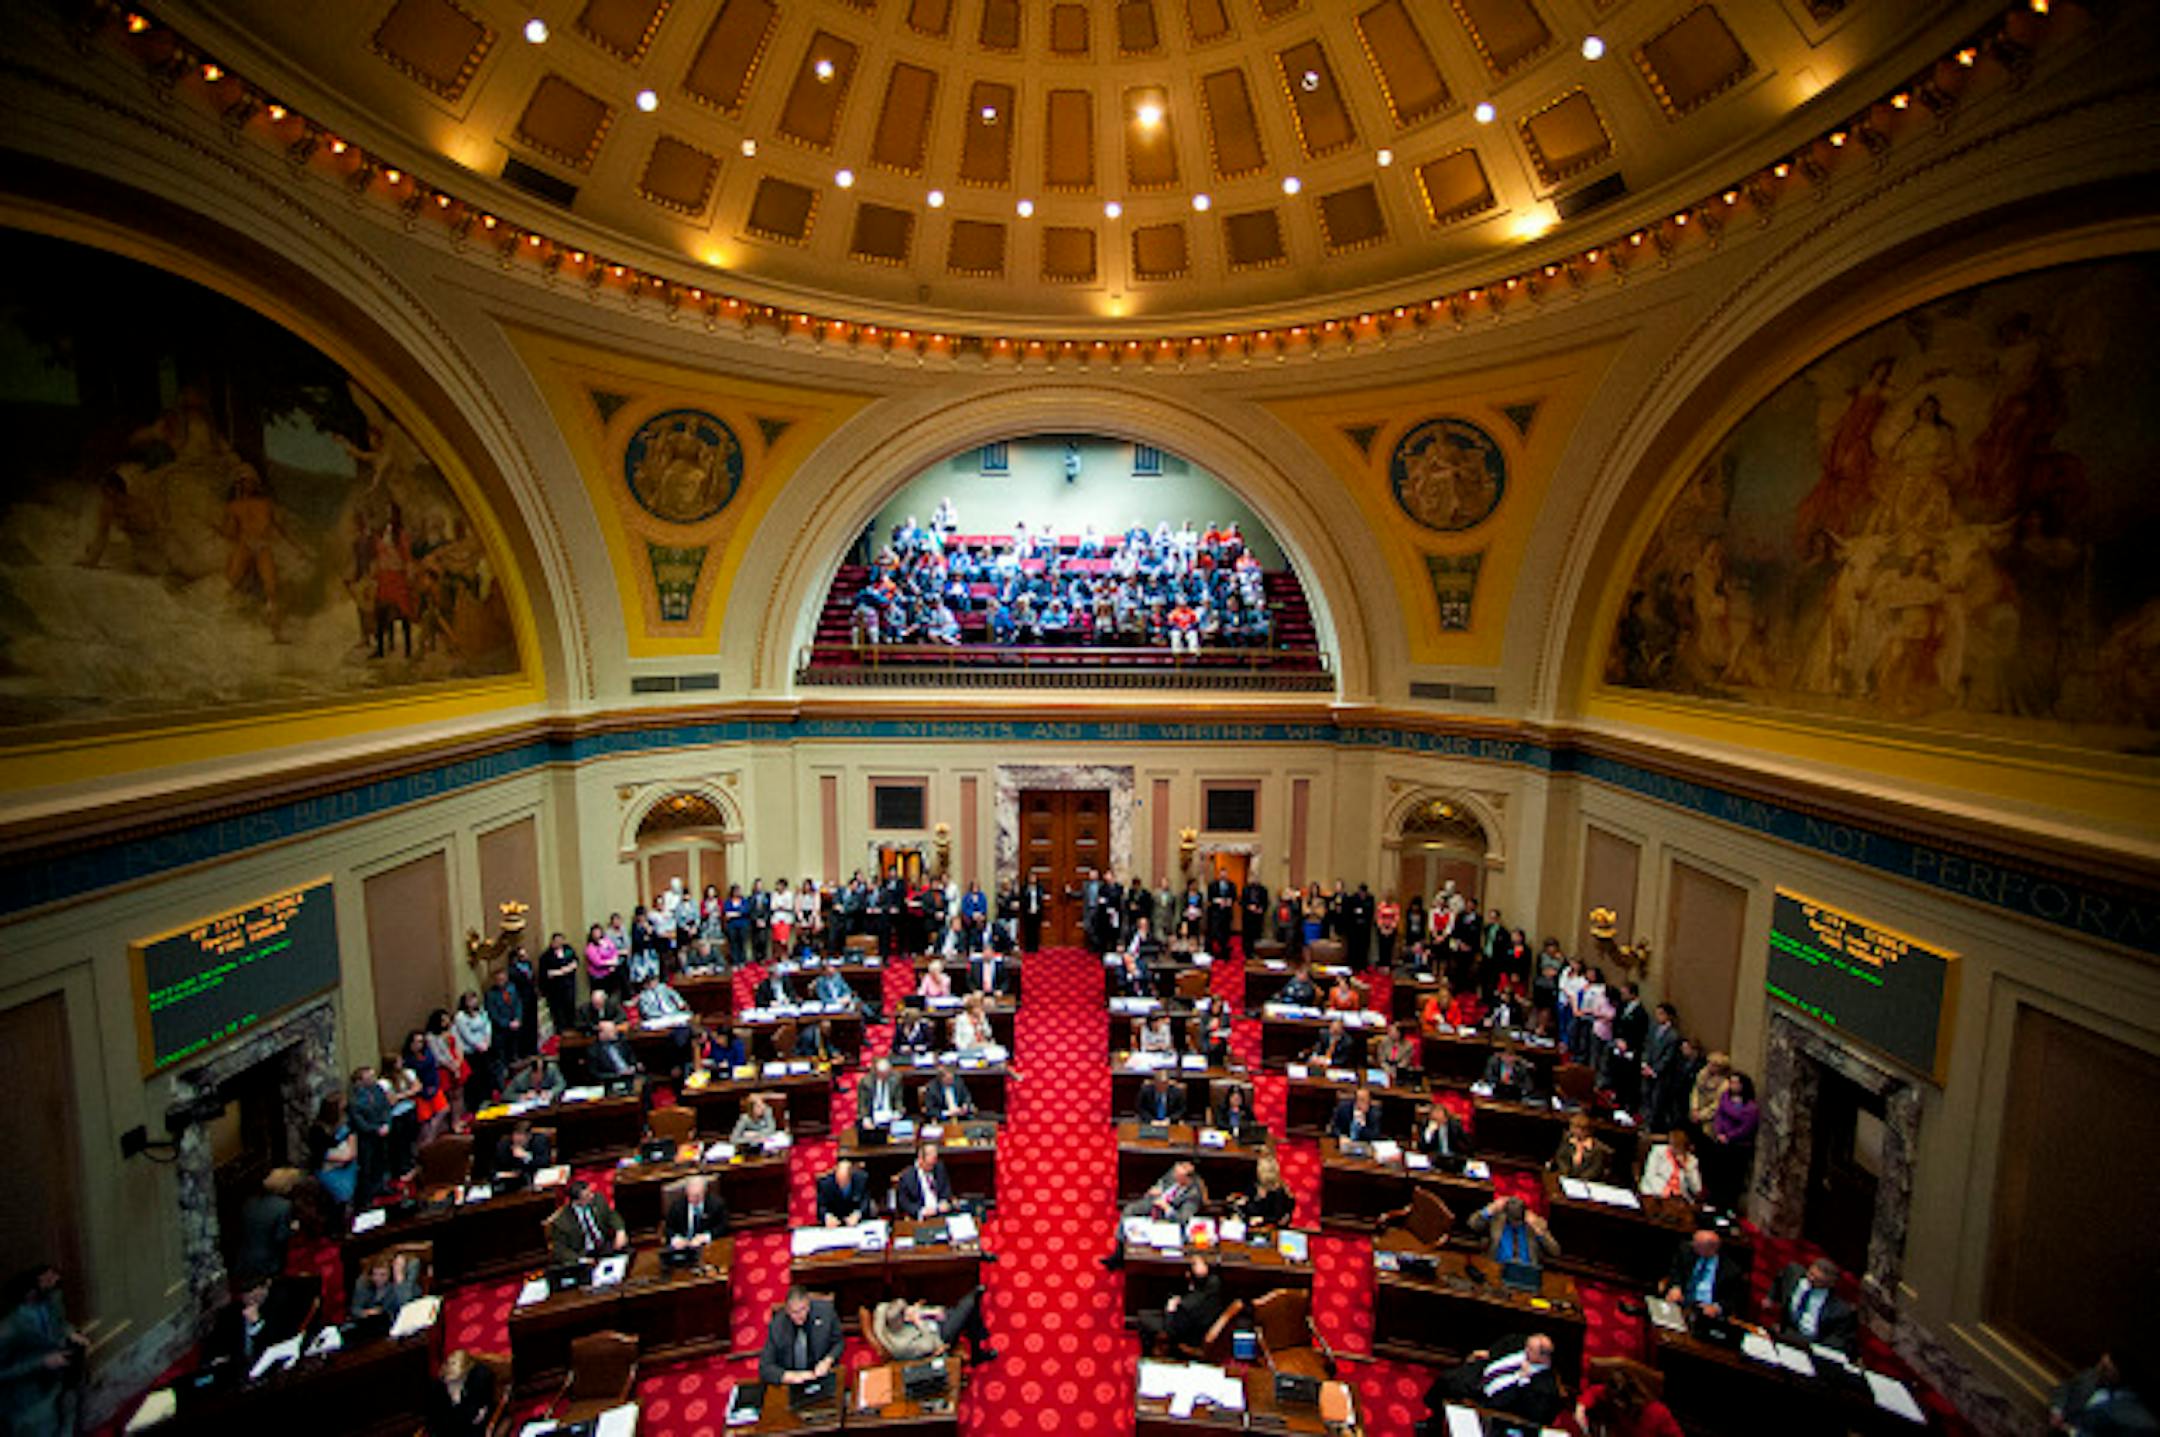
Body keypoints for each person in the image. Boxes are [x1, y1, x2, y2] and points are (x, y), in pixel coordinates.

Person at [0, 1265, 82, 1436]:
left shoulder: (52, 1301)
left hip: (60, 1383)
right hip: (31, 1401)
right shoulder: (10, 1328)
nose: (55, 1281)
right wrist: (41, 1362)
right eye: (47, 1279)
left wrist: (70, 1332)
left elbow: (60, 1322)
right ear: (30, 1291)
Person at [1429, 1334, 1564, 1426]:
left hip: (1490, 1402)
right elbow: (1505, 1343)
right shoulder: (1521, 1343)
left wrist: (1523, 1380)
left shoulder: (1545, 1386)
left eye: (1530, 1349)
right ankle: (1433, 1419)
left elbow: (1534, 1414)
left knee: (1450, 1385)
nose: (1525, 1348)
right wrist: (1491, 1353)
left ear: (1542, 1357)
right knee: (1446, 1378)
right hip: (1481, 1374)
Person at [1103, 1160, 1206, 1269]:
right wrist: (1158, 1189)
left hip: (1169, 1218)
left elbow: (1181, 1219)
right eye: (1175, 1173)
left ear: (1187, 1179)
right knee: (1129, 1211)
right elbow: (1162, 1182)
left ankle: (1134, 1261)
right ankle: (1119, 1253)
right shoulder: (1175, 1171)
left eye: (1178, 1176)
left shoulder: (1193, 1196)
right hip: (1155, 1202)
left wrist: (1166, 1207)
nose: (1174, 1176)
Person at [871, 1288, 999, 1365]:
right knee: (970, 1303)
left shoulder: (884, 1312)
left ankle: (976, 1333)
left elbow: (893, 1307)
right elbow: (931, 1344)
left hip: (932, 1322)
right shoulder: (902, 1344)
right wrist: (918, 1322)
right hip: (938, 1337)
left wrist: (923, 1311)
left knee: (966, 1313)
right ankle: (977, 1343)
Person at [2050, 1351, 2156, 1436]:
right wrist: (2057, 1410)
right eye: (2099, 1364)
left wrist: (2073, 1432)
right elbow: (2065, 1388)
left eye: (2105, 1369)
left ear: (2119, 1376)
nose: (2097, 1370)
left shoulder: (2130, 1412)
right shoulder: (2092, 1375)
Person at [1768, 1258, 1858, 1355]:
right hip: (1786, 1330)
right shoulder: (1793, 1272)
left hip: (1811, 1342)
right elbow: (1780, 1278)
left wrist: (1817, 1350)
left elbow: (1838, 1339)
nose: (1810, 1280)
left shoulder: (1840, 1310)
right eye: (1810, 1274)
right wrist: (1771, 1297)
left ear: (1831, 1284)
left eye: (1818, 1281)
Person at [1139, 1254, 1225, 1353]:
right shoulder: (1215, 1284)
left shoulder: (1186, 1306)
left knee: (1144, 1317)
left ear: (1188, 1275)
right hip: (1205, 1323)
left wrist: (1170, 1310)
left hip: (1189, 1336)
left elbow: (1171, 1330)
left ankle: (1153, 1354)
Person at [1572, 1363, 1684, 1437]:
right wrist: (1581, 1408)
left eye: (1622, 1404)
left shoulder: (1658, 1413)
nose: (1619, 1408)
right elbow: (1593, 1392)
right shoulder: (1613, 1395)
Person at [760, 1287, 842, 1387]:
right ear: (787, 1310)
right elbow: (765, 1368)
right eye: (795, 1312)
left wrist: (828, 1360)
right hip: (793, 1382)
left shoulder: (826, 1312)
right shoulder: (777, 1326)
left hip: (821, 1376)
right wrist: (790, 1376)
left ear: (808, 1305)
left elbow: (838, 1342)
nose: (800, 1316)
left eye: (803, 1309)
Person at [1661, 1228, 1744, 1317]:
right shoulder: (1685, 1251)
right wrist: (1675, 1287)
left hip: (1706, 1312)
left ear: (1711, 1249)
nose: (1692, 1245)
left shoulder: (1731, 1271)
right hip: (1681, 1302)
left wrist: (1716, 1308)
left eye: (1697, 1245)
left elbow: (1731, 1300)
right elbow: (1675, 1272)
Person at [236, 1169, 299, 1283]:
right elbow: (280, 1237)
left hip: (245, 1258)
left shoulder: (250, 1202)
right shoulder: (284, 1206)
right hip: (268, 1261)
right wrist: (293, 1229)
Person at [547, 1180, 627, 1266]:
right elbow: (560, 1249)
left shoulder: (598, 1199)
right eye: (587, 1196)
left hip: (604, 1245)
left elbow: (611, 1215)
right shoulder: (561, 1221)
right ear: (577, 1201)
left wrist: (620, 1230)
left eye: (591, 1192)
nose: (592, 1196)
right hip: (583, 1253)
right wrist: (581, 1260)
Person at [1470, 1196, 1558, 1269]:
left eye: (1518, 1221)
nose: (1515, 1224)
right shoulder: (1496, 1221)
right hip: (1497, 1268)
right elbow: (1472, 1224)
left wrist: (1539, 1231)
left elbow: (1555, 1251)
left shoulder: (1534, 1224)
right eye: (1512, 1220)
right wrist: (1490, 1209)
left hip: (1527, 1271)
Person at [426, 1349, 498, 1437]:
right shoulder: (437, 1388)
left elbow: (472, 1416)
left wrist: (458, 1400)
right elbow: (434, 1422)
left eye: (456, 1380)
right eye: (448, 1380)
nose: (451, 1383)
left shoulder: (479, 1380)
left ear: (465, 1374)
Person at [307, 1095, 359, 1209]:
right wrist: (343, 1155)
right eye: (341, 1109)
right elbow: (320, 1153)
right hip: (328, 1169)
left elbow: (352, 1149)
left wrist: (348, 1154)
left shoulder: (347, 1123)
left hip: (347, 1167)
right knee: (340, 1198)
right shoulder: (318, 1130)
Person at [1229, 1153, 1295, 1228]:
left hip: (1266, 1227)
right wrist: (1242, 1201)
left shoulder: (1278, 1192)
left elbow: (1277, 1217)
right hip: (1249, 1221)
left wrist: (1262, 1219)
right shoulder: (1255, 1183)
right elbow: (1247, 1197)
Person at [664, 1174, 730, 1248]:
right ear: (686, 1191)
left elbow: (723, 1227)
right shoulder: (677, 1206)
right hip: (682, 1248)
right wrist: (676, 1239)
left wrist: (706, 1237)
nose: (694, 1199)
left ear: (705, 1191)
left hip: (707, 1247)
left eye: (698, 1196)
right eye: (691, 1195)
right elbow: (668, 1229)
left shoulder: (717, 1205)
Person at [1639, 1129, 1704, 1204]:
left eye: (1679, 1146)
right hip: (1655, 1193)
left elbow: (1697, 1189)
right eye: (1673, 1145)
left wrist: (1686, 1169)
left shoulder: (1692, 1161)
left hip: (1679, 1199)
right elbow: (1650, 1175)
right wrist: (1666, 1191)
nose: (1674, 1149)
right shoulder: (1658, 1151)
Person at [349, 1252, 419, 1320]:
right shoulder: (363, 1282)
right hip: (366, 1321)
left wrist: (399, 1279)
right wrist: (366, 1313)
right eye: (375, 1274)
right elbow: (355, 1309)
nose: (378, 1278)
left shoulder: (397, 1286)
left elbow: (405, 1307)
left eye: (383, 1275)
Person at [895, 1142, 956, 1218]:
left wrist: (944, 1201)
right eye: (929, 1165)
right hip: (922, 1216)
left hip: (941, 1213)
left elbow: (946, 1189)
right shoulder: (907, 1177)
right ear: (920, 1159)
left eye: (934, 1163)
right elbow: (904, 1202)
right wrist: (921, 1211)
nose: (932, 1167)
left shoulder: (939, 1167)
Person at [1548, 1112, 1613, 1180]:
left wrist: (1582, 1177)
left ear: (1589, 1130)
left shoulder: (1597, 1149)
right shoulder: (1568, 1141)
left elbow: (1595, 1168)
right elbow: (1560, 1157)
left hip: (1585, 1180)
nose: (1576, 1132)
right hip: (1566, 1176)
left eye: (1581, 1129)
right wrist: (1566, 1170)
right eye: (1574, 1128)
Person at [540, 932, 581, 1037]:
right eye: (556, 941)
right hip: (555, 987)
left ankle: (572, 1025)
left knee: (570, 1005)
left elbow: (575, 961)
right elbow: (546, 973)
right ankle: (561, 1029)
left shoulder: (568, 949)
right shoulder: (546, 955)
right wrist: (560, 972)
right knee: (558, 1009)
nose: (559, 943)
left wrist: (569, 968)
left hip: (569, 984)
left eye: (561, 940)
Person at [816, 1158, 872, 1226]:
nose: (841, 1184)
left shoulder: (861, 1179)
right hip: (835, 1218)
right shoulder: (825, 1183)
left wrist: (858, 1214)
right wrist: (827, 1216)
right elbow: (821, 1206)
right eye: (838, 1180)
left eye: (844, 1181)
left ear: (850, 1176)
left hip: (854, 1217)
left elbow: (865, 1201)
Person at [857, 1058, 906, 1129]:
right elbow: (862, 1103)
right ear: (876, 1072)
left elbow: (898, 1099)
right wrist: (865, 1118)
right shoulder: (866, 1082)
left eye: (886, 1074)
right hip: (873, 1115)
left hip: (890, 1115)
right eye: (881, 1074)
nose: (884, 1077)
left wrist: (898, 1112)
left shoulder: (896, 1079)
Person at [1379, 1020, 1421, 1086]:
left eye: (1392, 1031)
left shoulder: (1408, 1045)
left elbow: (1404, 1062)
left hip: (1401, 1072)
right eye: (1389, 1031)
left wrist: (1394, 1072)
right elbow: (1381, 1059)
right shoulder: (1384, 1042)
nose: (1389, 1033)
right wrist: (1387, 1070)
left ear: (1399, 1033)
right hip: (1385, 1070)